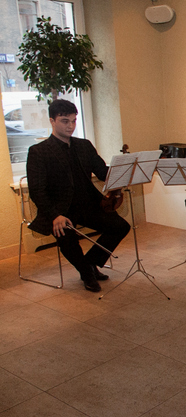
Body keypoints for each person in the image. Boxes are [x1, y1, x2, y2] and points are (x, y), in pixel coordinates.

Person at [26, 99, 131, 292]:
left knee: (120, 226)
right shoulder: (39, 152)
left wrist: (124, 171)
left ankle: (89, 263)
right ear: (52, 121)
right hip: (59, 209)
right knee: (65, 235)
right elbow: (37, 190)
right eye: (65, 121)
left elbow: (102, 172)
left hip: (89, 203)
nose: (71, 126)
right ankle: (86, 273)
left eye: (74, 121)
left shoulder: (84, 145)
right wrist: (54, 215)